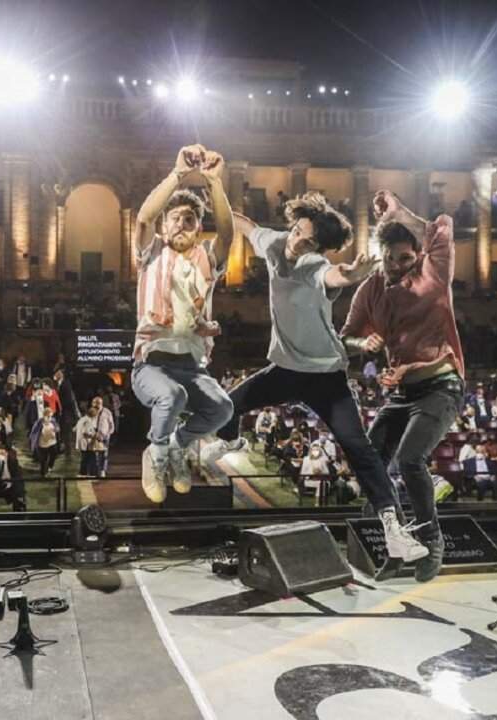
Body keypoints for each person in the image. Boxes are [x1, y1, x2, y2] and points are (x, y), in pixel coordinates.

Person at [201, 192, 425, 569]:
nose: (296, 242)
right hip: (286, 369)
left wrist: (353, 274)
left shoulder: (313, 264)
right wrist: (215, 200)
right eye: (296, 232)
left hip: (325, 376)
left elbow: (335, 274)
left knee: (359, 449)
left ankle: (393, 527)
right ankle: (231, 440)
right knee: (228, 405)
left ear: (318, 247)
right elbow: (243, 224)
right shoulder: (275, 242)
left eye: (306, 241)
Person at [339, 189, 466, 582]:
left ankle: (432, 540)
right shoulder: (370, 288)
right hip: (402, 392)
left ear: (418, 256)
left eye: (405, 259)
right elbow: (345, 337)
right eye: (390, 259)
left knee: (410, 460)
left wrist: (396, 210)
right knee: (370, 463)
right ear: (381, 256)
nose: (396, 266)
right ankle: (397, 542)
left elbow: (439, 229)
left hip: (441, 386)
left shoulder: (434, 272)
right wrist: (363, 343)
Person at [131, 144, 235, 503]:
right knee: (171, 396)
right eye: (174, 218)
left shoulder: (205, 258)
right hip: (152, 365)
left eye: (189, 219)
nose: (181, 223)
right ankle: (156, 454)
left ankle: (178, 445)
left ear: (198, 228)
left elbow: (227, 234)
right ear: (164, 225)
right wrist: (177, 175)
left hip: (192, 366)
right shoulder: (152, 253)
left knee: (223, 408)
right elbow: (143, 218)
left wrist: (214, 183)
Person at [0, 445, 25, 511]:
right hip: (0, 484)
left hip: (11, 483)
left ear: (6, 453)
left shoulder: (13, 462)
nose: (0, 455)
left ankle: (18, 506)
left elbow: (17, 475)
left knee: (18, 485)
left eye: (2, 453)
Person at [75, 402, 110, 477]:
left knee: (85, 458)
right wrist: (95, 436)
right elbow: (85, 433)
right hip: (86, 443)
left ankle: (83, 473)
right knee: (91, 458)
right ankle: (91, 473)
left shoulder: (82, 419)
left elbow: (74, 429)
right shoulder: (87, 421)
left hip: (82, 443)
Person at [29, 406, 61, 477]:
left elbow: (57, 428)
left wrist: (56, 430)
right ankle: (43, 474)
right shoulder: (39, 423)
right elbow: (33, 434)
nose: (50, 418)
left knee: (53, 455)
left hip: (52, 443)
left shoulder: (53, 421)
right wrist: (33, 444)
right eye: (48, 416)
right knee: (43, 460)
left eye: (51, 416)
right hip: (42, 445)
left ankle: (50, 467)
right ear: (44, 416)